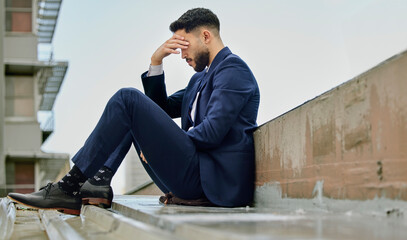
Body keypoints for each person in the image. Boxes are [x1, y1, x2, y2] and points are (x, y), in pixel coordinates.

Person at [8, 8, 260, 215]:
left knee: (127, 98)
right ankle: (97, 184)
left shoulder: (233, 70)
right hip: (192, 177)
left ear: (206, 36)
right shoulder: (199, 81)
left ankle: (68, 186)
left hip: (212, 181)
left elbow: (213, 132)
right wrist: (156, 62)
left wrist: (162, 148)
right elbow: (157, 111)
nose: (182, 54)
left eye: (185, 45)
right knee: (131, 110)